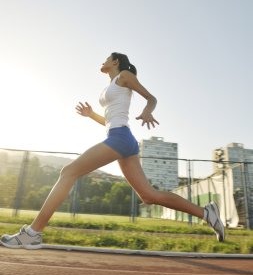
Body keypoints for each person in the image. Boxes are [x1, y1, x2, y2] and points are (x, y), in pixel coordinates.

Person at [0, 52, 225, 249]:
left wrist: (147, 111)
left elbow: (151, 98)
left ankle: (33, 233)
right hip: (120, 137)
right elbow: (109, 121)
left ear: (115, 61)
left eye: (107, 58)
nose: (104, 60)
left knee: (68, 172)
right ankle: (206, 213)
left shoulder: (124, 76)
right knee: (148, 196)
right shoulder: (111, 86)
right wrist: (91, 115)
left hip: (121, 138)